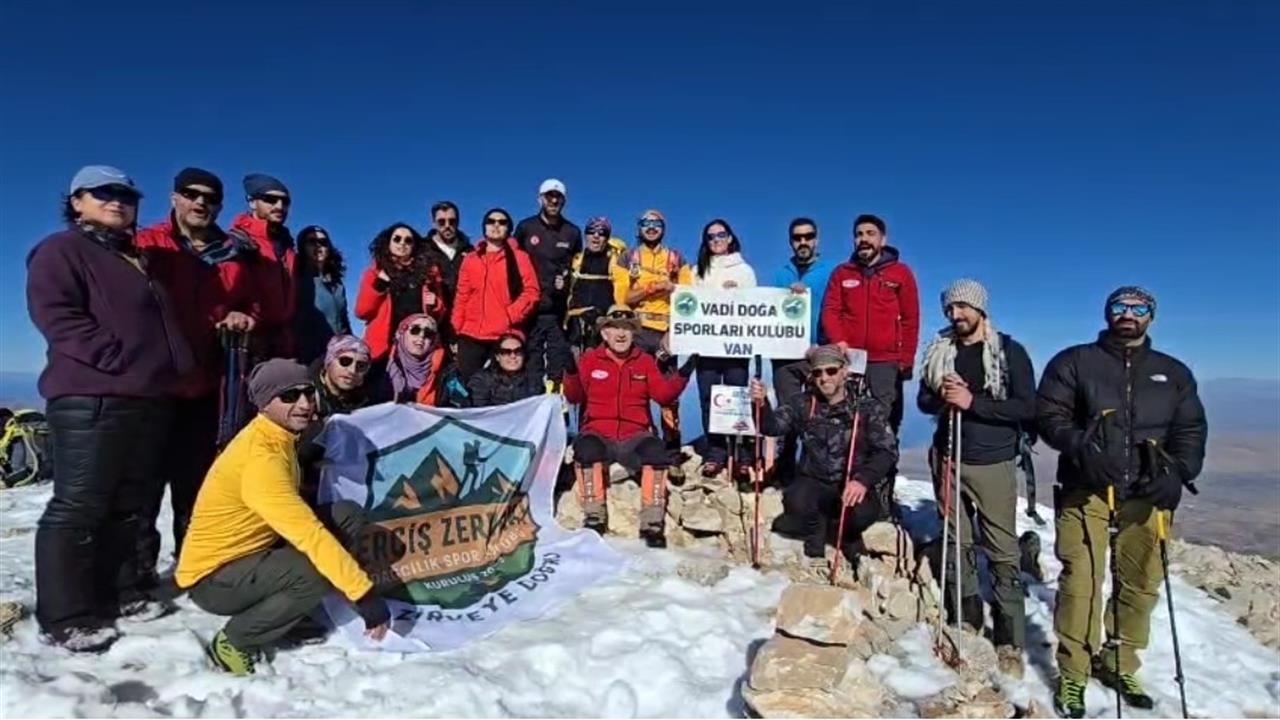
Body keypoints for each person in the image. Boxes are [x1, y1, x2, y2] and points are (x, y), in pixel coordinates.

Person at [27, 165, 194, 651]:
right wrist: (113, 359)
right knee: (78, 507)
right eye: (103, 193)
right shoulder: (62, 250)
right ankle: (66, 615)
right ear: (77, 201)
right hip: (92, 396)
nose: (117, 201)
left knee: (128, 506)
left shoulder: (132, 258)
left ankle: (118, 591)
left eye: (125, 194)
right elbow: (55, 313)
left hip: (145, 397)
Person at [1037, 286, 1206, 718]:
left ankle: (1119, 661)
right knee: (1082, 582)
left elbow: (1190, 430)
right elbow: (1049, 416)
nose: (1128, 314)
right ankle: (1074, 674)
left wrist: (1179, 473)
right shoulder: (1075, 362)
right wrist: (1080, 448)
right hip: (1086, 488)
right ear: (1107, 312)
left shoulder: (1174, 373)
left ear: (1151, 316)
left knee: (1142, 583)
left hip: (1148, 492)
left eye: (1138, 308)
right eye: (1120, 307)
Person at [176, 359, 389, 675]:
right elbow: (309, 534)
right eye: (289, 396)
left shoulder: (279, 436)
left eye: (308, 392)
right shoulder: (262, 459)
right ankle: (236, 641)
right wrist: (364, 594)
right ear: (264, 403)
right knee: (312, 571)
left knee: (345, 515)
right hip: (214, 579)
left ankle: (288, 610)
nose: (304, 403)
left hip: (253, 553)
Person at [134, 167, 260, 582]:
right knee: (145, 483)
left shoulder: (232, 255)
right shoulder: (150, 244)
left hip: (206, 382)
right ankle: (139, 570)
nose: (200, 202)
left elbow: (249, 302)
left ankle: (194, 563)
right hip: (152, 384)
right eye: (191, 194)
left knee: (196, 482)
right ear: (174, 198)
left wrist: (245, 313)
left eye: (209, 197)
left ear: (220, 205)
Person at [917, 279, 1035, 679]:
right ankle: (966, 618)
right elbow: (923, 399)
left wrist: (973, 402)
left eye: (963, 308)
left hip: (993, 461)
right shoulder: (940, 350)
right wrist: (942, 396)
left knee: (1001, 549)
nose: (956, 315)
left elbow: (1025, 407)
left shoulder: (1007, 352)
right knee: (957, 541)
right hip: (948, 455)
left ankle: (1010, 639)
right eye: (950, 309)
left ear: (980, 308)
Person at [563, 306, 696, 547]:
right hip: (598, 433)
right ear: (604, 334)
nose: (621, 334)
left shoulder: (644, 361)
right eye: (614, 328)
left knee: (656, 452)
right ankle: (595, 515)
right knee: (586, 450)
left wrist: (685, 371)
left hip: (635, 435)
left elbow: (664, 396)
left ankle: (652, 523)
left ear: (634, 333)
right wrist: (570, 372)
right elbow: (574, 397)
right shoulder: (590, 359)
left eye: (627, 328)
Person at [751, 346, 896, 566]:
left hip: (853, 481)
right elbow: (771, 427)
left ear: (844, 371)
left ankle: (847, 536)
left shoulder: (866, 408)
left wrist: (863, 480)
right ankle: (816, 533)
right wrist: (761, 405)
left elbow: (886, 451)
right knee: (795, 502)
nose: (824, 378)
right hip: (815, 479)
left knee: (861, 513)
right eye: (817, 373)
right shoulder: (802, 403)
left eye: (831, 371)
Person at [612, 210, 693, 453]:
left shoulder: (676, 258)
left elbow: (688, 299)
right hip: (637, 331)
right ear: (639, 228)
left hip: (666, 332)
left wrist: (673, 288)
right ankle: (637, 441)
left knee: (669, 392)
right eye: (646, 223)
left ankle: (671, 447)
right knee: (633, 389)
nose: (651, 227)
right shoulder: (628, 257)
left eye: (656, 223)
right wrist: (649, 288)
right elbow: (622, 297)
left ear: (663, 228)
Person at [770, 217, 839, 482]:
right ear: (791, 241)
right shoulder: (780, 274)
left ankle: (815, 473)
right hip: (784, 356)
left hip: (817, 354)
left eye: (808, 237)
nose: (803, 242)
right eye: (797, 238)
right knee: (787, 412)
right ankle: (785, 472)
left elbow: (836, 308)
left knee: (817, 415)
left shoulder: (830, 271)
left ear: (816, 239)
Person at [690, 219, 758, 478]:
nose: (716, 239)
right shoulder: (698, 271)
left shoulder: (745, 270)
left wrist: (737, 294)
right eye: (711, 236)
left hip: (735, 346)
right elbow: (692, 305)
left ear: (730, 238)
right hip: (706, 346)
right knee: (709, 398)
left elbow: (754, 307)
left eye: (721, 234)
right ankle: (716, 452)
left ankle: (741, 454)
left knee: (737, 398)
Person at [451, 208, 541, 380]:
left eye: (502, 222)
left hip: (504, 335)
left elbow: (531, 292)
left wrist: (509, 316)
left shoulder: (519, 257)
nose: (496, 225)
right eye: (491, 221)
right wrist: (457, 329)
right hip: (471, 335)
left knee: (502, 388)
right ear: (484, 227)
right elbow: (462, 295)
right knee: (468, 385)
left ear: (509, 229)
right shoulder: (471, 259)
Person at [514, 179, 582, 391]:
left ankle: (557, 408)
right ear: (540, 198)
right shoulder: (526, 227)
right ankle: (531, 406)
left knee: (557, 363)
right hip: (529, 310)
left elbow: (577, 268)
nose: (553, 200)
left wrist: (566, 283)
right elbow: (513, 263)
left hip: (557, 311)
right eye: (549, 196)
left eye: (558, 197)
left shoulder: (572, 232)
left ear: (564, 201)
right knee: (530, 362)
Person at [354, 223, 445, 373]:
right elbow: (362, 312)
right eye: (397, 239)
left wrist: (435, 304)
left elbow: (439, 314)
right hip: (384, 346)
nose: (402, 243)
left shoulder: (428, 274)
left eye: (408, 240)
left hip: (418, 345)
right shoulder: (375, 272)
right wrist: (379, 285)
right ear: (388, 243)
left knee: (419, 393)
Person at [229, 174, 298, 358]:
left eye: (285, 201)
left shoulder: (287, 247)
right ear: (252, 202)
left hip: (283, 343)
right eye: (270, 199)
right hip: (248, 343)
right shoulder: (237, 242)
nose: (279, 206)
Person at [565, 216, 623, 356]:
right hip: (576, 324)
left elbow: (622, 291)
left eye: (602, 233)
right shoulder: (576, 260)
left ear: (607, 238)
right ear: (585, 235)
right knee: (573, 370)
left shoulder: (615, 261)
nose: (596, 236)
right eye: (591, 232)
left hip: (603, 324)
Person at [294, 226, 351, 365]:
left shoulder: (337, 284)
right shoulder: (296, 280)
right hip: (308, 356)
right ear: (302, 246)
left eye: (323, 242)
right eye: (312, 241)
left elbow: (344, 321)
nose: (318, 246)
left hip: (337, 356)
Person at [422, 201, 472, 341]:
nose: (447, 226)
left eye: (452, 221)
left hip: (463, 323)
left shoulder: (470, 251)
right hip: (432, 322)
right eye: (441, 222)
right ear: (433, 223)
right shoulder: (422, 250)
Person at [467, 330, 541, 407]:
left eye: (518, 351)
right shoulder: (482, 380)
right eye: (506, 352)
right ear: (497, 357)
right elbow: (479, 410)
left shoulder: (533, 380)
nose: (513, 356)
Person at [387, 314, 447, 405]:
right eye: (415, 330)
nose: (421, 336)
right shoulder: (383, 372)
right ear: (402, 333)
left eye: (428, 333)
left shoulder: (445, 376)